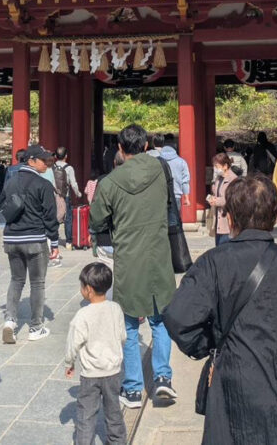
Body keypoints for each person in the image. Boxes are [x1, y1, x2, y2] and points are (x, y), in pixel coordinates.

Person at [165, 173, 277, 444]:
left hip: (241, 386)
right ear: (276, 216)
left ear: (230, 218)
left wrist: (212, 343)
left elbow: (179, 318)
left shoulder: (214, 263)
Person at [90, 124, 177, 409]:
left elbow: (97, 219)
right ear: (146, 146)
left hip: (128, 257)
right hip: (159, 252)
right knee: (160, 320)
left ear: (119, 148)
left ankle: (133, 389)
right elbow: (168, 203)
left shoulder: (111, 182)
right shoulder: (161, 170)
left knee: (128, 325)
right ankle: (163, 377)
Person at [0, 143, 61, 343]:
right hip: (34, 239)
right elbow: (50, 216)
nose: (46, 163)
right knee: (37, 283)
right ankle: (35, 327)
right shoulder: (43, 184)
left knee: (16, 280)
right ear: (31, 161)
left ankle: (10, 321)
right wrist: (54, 242)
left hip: (11, 238)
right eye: (43, 160)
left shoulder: (11, 181)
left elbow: (1, 205)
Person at [65, 263, 128, 445]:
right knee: (114, 412)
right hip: (113, 371)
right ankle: (118, 441)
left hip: (90, 375)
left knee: (86, 415)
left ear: (89, 290)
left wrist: (69, 363)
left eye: (82, 286)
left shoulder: (83, 314)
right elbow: (123, 336)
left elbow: (73, 342)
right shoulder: (115, 309)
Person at [150, 133, 190, 204]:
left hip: (159, 194)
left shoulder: (155, 159)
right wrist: (186, 198)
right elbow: (185, 181)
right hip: (176, 195)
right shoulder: (181, 162)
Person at [54, 145, 81, 248]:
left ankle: (54, 239)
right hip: (65, 196)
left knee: (54, 217)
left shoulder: (52, 167)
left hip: (54, 196)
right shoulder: (69, 168)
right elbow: (73, 184)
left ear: (55, 156)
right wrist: (78, 193)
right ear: (66, 156)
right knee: (68, 219)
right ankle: (69, 242)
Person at [206, 153, 235, 245]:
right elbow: (216, 192)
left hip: (227, 218)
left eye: (217, 166)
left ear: (225, 166)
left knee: (225, 245)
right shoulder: (219, 178)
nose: (215, 169)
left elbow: (232, 198)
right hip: (218, 217)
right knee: (218, 245)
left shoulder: (233, 179)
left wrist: (217, 201)